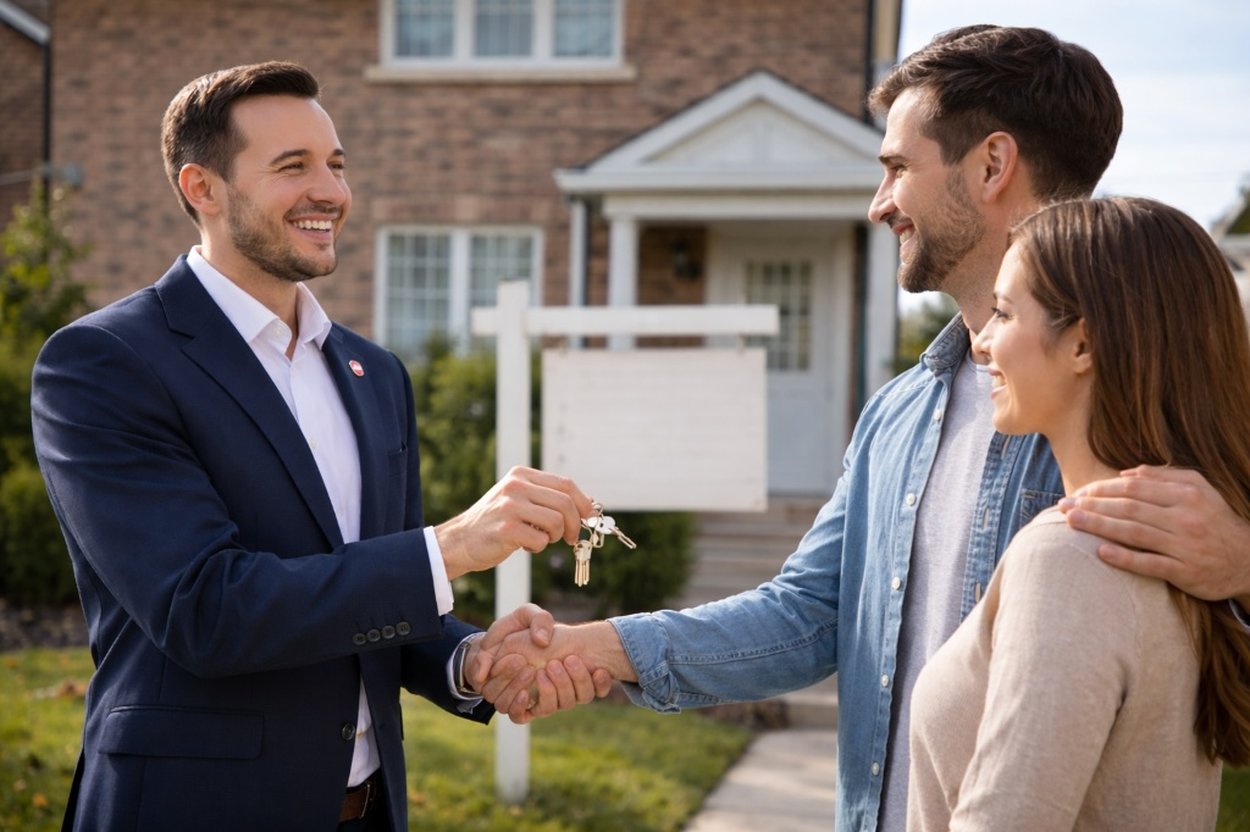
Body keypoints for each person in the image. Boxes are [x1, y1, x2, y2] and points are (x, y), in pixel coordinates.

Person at [471, 25, 1250, 832]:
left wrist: (1244, 560)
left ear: (991, 165)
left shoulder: (1170, 392)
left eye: (897, 168)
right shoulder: (900, 413)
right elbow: (810, 614)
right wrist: (596, 648)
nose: (879, 204)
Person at [31, 61, 608, 832]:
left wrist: (470, 663)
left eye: (335, 164)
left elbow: (372, 598)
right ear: (202, 189)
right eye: (292, 166)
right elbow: (206, 611)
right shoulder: (105, 364)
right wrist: (452, 548)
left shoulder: (377, 374)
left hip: (368, 814)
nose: (330, 191)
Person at [908, 196, 1250, 830]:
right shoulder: (1196, 561)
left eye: (1004, 313)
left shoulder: (1069, 559)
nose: (980, 344)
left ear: (1083, 343)